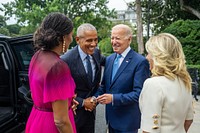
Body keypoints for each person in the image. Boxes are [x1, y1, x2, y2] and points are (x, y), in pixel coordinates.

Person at [25, 12, 76, 133]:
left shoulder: (37, 56)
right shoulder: (58, 66)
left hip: (36, 118)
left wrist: (67, 101)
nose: (72, 39)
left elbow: (35, 94)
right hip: (51, 126)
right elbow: (61, 121)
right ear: (63, 38)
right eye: (71, 35)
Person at [95, 24, 150, 133]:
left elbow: (139, 94)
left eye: (117, 38)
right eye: (112, 38)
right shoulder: (109, 59)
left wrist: (114, 98)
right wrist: (94, 99)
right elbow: (104, 86)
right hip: (111, 121)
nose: (113, 42)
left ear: (129, 39)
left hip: (128, 123)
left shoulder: (140, 62)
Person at [139, 33, 194, 133]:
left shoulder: (153, 84)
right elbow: (189, 120)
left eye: (150, 53)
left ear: (159, 56)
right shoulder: (185, 81)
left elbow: (150, 130)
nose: (147, 57)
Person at [61, 23, 105, 133]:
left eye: (96, 40)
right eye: (89, 40)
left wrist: (93, 100)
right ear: (77, 40)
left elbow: (112, 62)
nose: (94, 44)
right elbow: (62, 92)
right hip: (74, 114)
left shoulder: (96, 53)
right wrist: (82, 102)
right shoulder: (66, 60)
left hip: (91, 113)